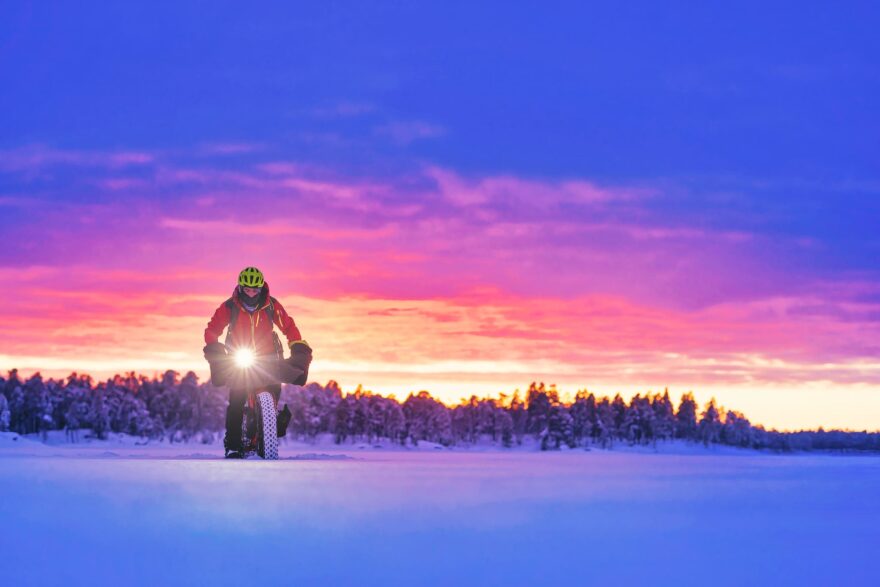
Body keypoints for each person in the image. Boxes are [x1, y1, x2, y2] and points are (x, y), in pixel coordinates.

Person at [203, 266, 312, 458]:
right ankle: (234, 445)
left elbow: (288, 326)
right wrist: (214, 346)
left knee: (274, 392)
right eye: (248, 289)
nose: (251, 293)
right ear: (241, 288)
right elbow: (212, 329)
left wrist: (296, 344)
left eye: (255, 290)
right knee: (236, 400)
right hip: (239, 356)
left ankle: (271, 424)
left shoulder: (271, 306)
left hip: (268, 356)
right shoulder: (229, 307)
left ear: (261, 288)